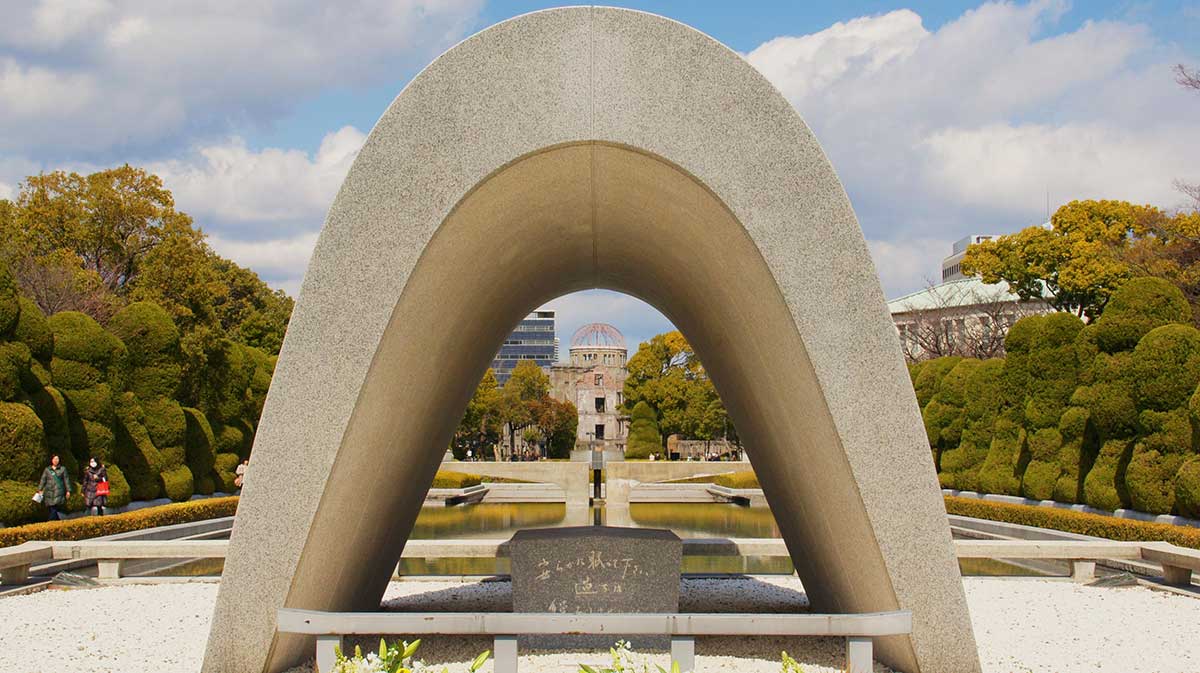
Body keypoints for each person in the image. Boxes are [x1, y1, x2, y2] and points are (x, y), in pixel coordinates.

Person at [36, 454, 71, 521]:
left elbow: (66, 480)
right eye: (54, 459)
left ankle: (49, 523)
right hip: (49, 491)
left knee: (54, 507)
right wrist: (40, 489)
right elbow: (43, 479)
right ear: (51, 460)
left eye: (57, 459)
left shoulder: (62, 469)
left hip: (58, 491)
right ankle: (57, 522)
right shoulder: (47, 470)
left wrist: (68, 490)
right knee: (51, 508)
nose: (56, 460)